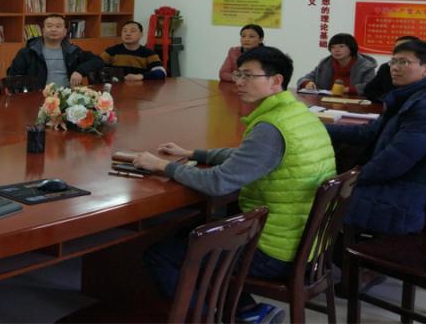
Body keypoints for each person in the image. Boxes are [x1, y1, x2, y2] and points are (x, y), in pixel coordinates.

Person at [134, 46, 336, 324]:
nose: (239, 81)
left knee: (162, 255)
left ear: (276, 80)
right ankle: (248, 312)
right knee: (193, 231)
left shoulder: (270, 127)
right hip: (305, 242)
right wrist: (194, 153)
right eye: (238, 74)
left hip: (276, 251)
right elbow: (247, 156)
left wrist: (162, 166)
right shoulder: (296, 113)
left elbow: (217, 183)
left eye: (248, 75)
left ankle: (205, 319)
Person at [325, 39, 426, 235]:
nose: (395, 68)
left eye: (404, 62)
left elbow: (390, 164)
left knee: (318, 196)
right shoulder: (412, 97)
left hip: (402, 198)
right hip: (405, 180)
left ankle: (329, 250)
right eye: (394, 61)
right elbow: (368, 132)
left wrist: (345, 182)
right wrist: (319, 128)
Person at [7, 14, 103, 88]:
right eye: (49, 26)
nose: (53, 29)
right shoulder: (28, 53)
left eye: (58, 26)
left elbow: (98, 61)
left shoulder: (73, 51)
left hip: (67, 97)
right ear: (43, 30)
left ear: (65, 32)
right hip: (37, 97)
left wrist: (80, 71)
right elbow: (13, 78)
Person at [297, 32, 377, 94]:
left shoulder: (365, 66)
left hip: (356, 105)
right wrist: (307, 83)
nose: (336, 50)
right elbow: (303, 79)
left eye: (341, 46)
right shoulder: (325, 64)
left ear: (351, 48)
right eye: (333, 47)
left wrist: (347, 89)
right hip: (326, 103)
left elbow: (372, 87)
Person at [100, 20, 166, 81]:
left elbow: (161, 72)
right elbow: (97, 67)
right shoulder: (111, 51)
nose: (128, 34)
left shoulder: (149, 53)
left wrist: (140, 76)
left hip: (140, 87)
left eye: (132, 31)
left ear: (141, 34)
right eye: (124, 31)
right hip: (116, 86)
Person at [362, 35, 419, 102]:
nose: (397, 52)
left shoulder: (420, 70)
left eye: (403, 48)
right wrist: (387, 100)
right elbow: (370, 90)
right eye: (395, 49)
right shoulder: (386, 67)